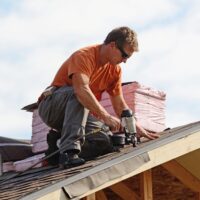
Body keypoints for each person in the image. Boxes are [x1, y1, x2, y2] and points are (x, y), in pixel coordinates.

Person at [38, 26, 159, 168]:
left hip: (77, 115)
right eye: (125, 55)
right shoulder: (84, 56)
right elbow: (81, 90)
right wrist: (106, 117)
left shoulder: (115, 70)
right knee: (79, 94)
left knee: (104, 142)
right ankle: (68, 153)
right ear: (112, 45)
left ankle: (55, 153)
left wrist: (135, 126)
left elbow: (120, 105)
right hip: (52, 107)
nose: (125, 61)